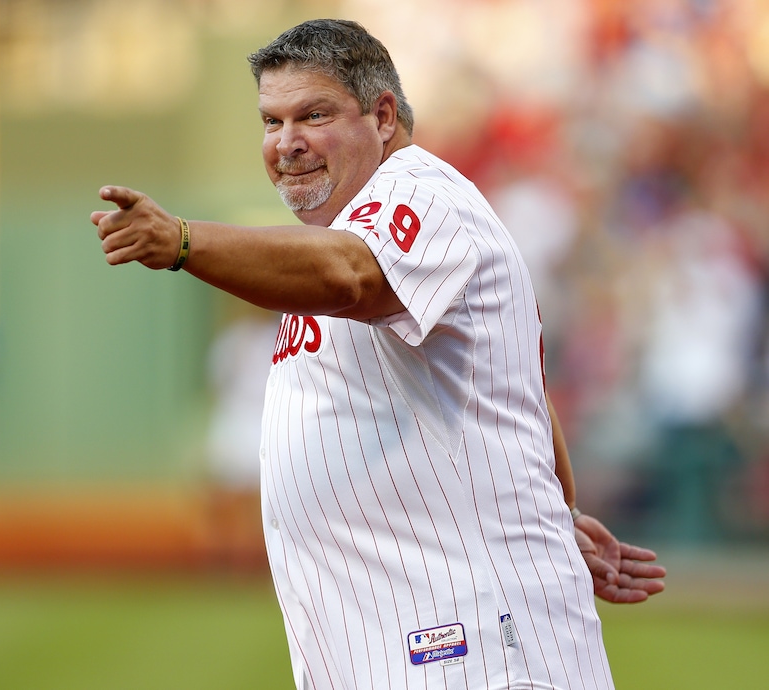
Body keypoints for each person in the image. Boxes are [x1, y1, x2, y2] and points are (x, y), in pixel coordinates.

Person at [91, 19, 664, 689]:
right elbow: (517, 390)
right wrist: (558, 514)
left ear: (383, 115)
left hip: (475, 648)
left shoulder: (421, 192)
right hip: (415, 646)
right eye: (271, 122)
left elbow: (351, 278)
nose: (286, 142)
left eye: (313, 114)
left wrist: (183, 241)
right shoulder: (343, 232)